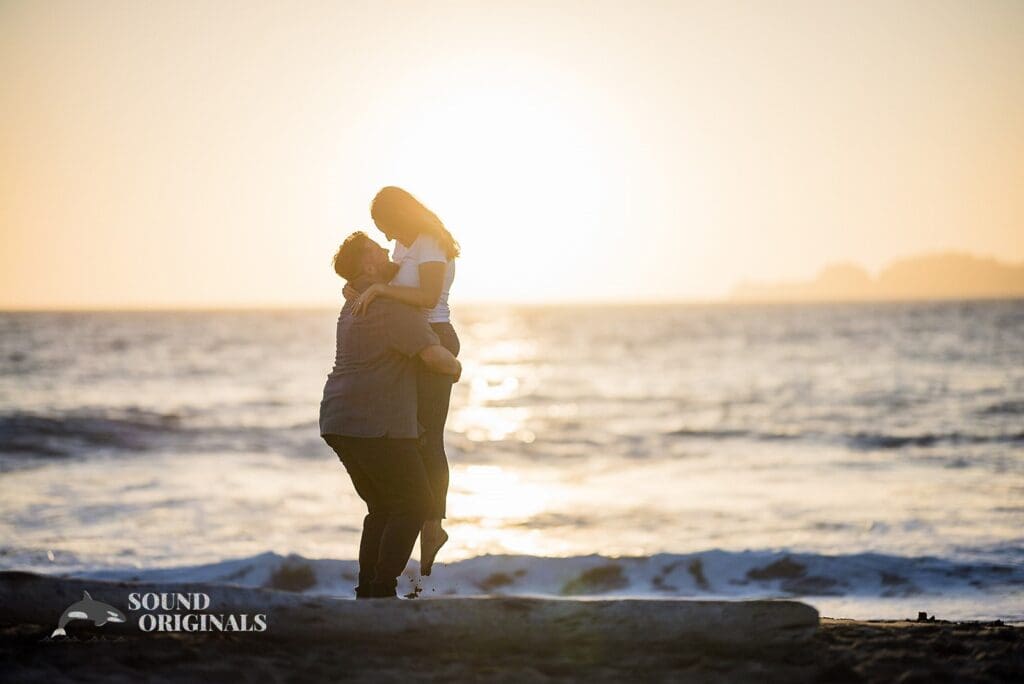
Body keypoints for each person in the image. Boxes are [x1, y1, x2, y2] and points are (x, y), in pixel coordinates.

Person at [320, 231, 462, 599]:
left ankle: (369, 589)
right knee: (416, 503)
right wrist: (457, 366)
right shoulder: (391, 308)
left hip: (339, 421)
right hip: (375, 425)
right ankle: (381, 588)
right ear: (368, 263)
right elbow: (434, 358)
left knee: (382, 508)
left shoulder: (352, 305)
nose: (386, 250)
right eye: (377, 249)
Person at [349, 186, 461, 576]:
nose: (382, 234)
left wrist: (380, 288)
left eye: (383, 223)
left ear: (399, 214)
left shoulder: (430, 242)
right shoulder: (402, 245)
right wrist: (361, 286)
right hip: (413, 343)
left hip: (434, 337)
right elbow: (394, 283)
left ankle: (434, 525)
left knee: (430, 436)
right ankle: (424, 521)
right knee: (414, 435)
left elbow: (428, 296)